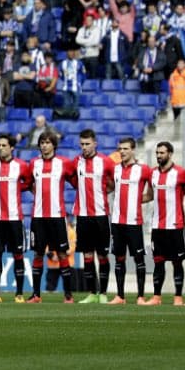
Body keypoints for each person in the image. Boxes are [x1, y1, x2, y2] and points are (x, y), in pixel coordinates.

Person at [26, 131, 75, 303]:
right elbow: (26, 183)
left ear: (54, 145)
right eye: (42, 142)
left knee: (62, 254)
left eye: (48, 142)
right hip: (38, 217)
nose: (45, 145)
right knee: (38, 255)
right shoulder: (33, 164)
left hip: (57, 217)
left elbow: (75, 181)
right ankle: (36, 295)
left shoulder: (64, 163)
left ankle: (68, 295)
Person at [69, 129, 115, 304]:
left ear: (95, 143)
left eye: (87, 144)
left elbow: (112, 183)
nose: (84, 147)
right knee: (87, 255)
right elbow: (72, 180)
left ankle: (103, 293)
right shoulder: (76, 162)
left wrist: (103, 191)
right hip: (82, 215)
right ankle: (92, 293)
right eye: (82, 144)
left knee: (102, 255)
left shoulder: (105, 162)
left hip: (101, 215)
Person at [0, 134, 31, 302]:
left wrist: (19, 189)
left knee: (18, 255)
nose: (0, 148)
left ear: (12, 147)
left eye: (4, 145)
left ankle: (19, 294)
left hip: (14, 218)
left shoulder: (21, 166)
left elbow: (28, 183)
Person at [142, 141, 185, 306]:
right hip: (157, 226)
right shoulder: (152, 173)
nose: (159, 156)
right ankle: (156, 297)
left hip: (175, 225)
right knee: (158, 261)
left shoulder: (181, 173)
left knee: (177, 262)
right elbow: (149, 195)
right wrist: (134, 201)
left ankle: (178, 297)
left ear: (170, 153)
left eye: (162, 153)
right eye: (157, 153)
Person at [107, 137, 151, 305]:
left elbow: (150, 194)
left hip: (134, 221)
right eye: (120, 149)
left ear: (133, 149)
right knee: (119, 259)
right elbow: (111, 187)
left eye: (125, 149)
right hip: (117, 222)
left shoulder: (144, 170)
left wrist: (136, 201)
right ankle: (120, 296)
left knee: (138, 259)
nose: (122, 152)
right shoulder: (115, 169)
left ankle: (140, 296)